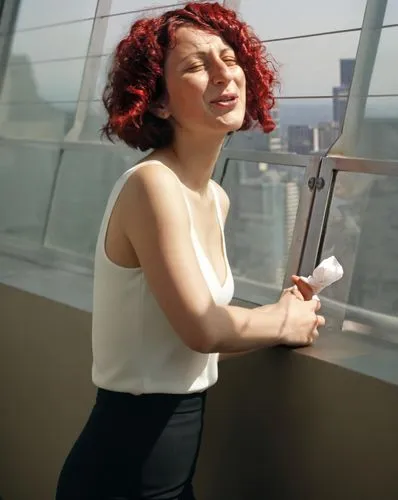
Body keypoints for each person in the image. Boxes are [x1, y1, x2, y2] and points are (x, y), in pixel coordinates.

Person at [55, 2, 324, 499]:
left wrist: (278, 322)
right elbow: (201, 327)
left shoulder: (213, 197)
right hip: (122, 473)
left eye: (229, 58)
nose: (225, 74)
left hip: (171, 470)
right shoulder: (151, 186)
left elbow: (188, 342)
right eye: (197, 66)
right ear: (157, 102)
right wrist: (285, 319)